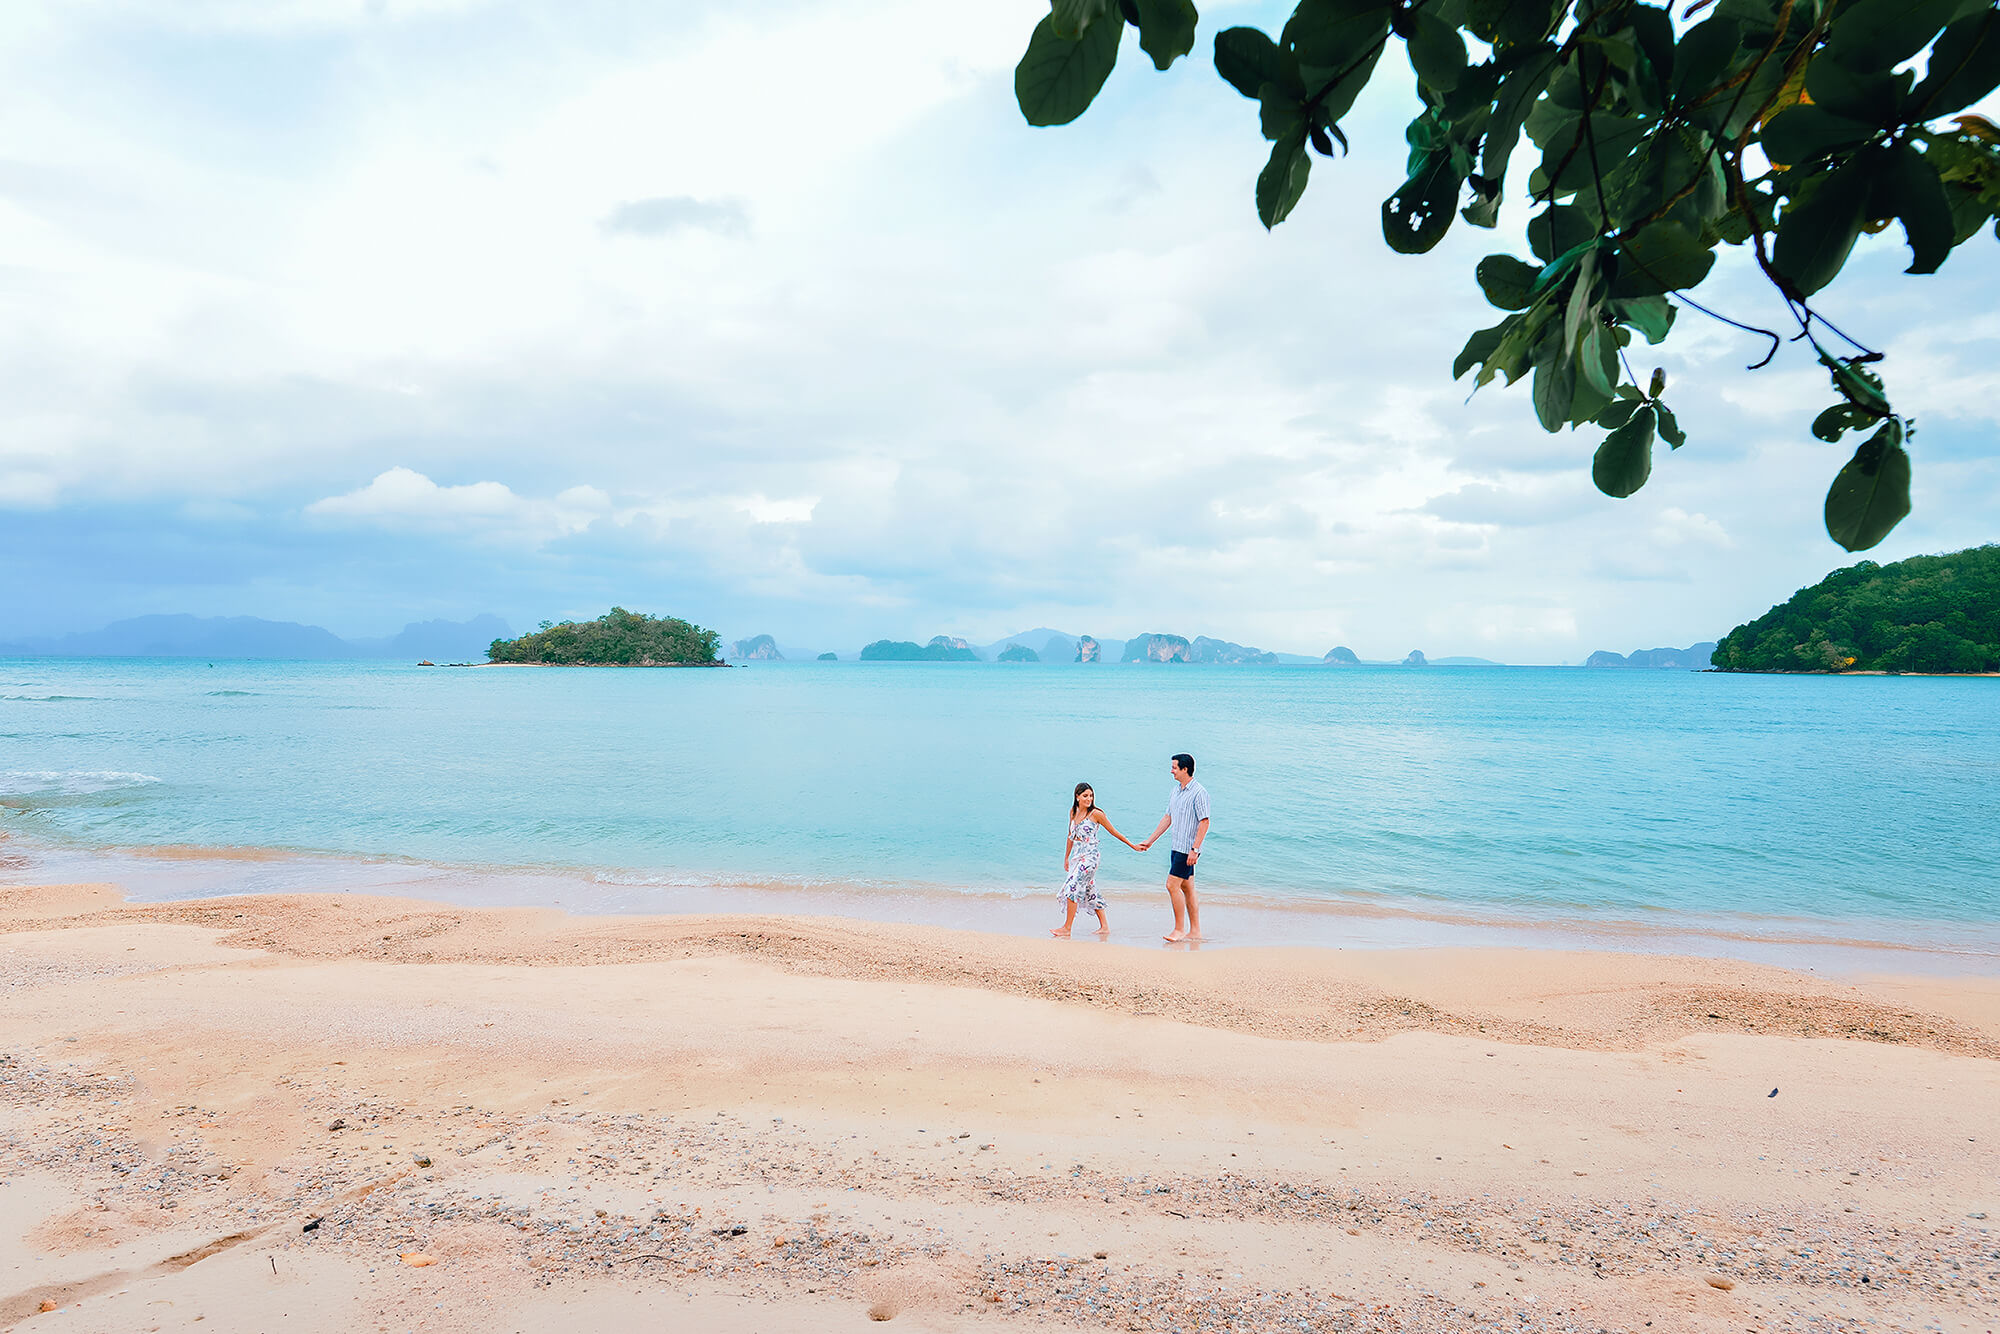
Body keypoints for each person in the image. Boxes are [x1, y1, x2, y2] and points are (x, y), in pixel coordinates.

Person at [1137, 753, 1210, 942]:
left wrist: (1195, 849)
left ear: (1185, 769)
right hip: (1176, 846)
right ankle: (1195, 931)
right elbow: (1168, 818)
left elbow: (1204, 822)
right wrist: (1151, 840)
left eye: (1174, 767)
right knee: (1187, 887)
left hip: (1187, 849)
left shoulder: (1199, 792)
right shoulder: (1175, 791)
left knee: (1171, 885)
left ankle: (1179, 929)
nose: (1171, 771)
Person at [1051, 781, 1138, 938]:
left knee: (1073, 887)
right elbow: (1070, 837)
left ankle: (1067, 928)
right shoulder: (1073, 812)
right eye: (1085, 796)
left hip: (1090, 858)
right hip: (1077, 857)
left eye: (1091, 796)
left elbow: (1114, 832)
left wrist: (1132, 845)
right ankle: (1104, 927)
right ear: (1077, 797)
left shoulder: (1096, 814)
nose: (1089, 799)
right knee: (1090, 889)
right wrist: (1066, 857)